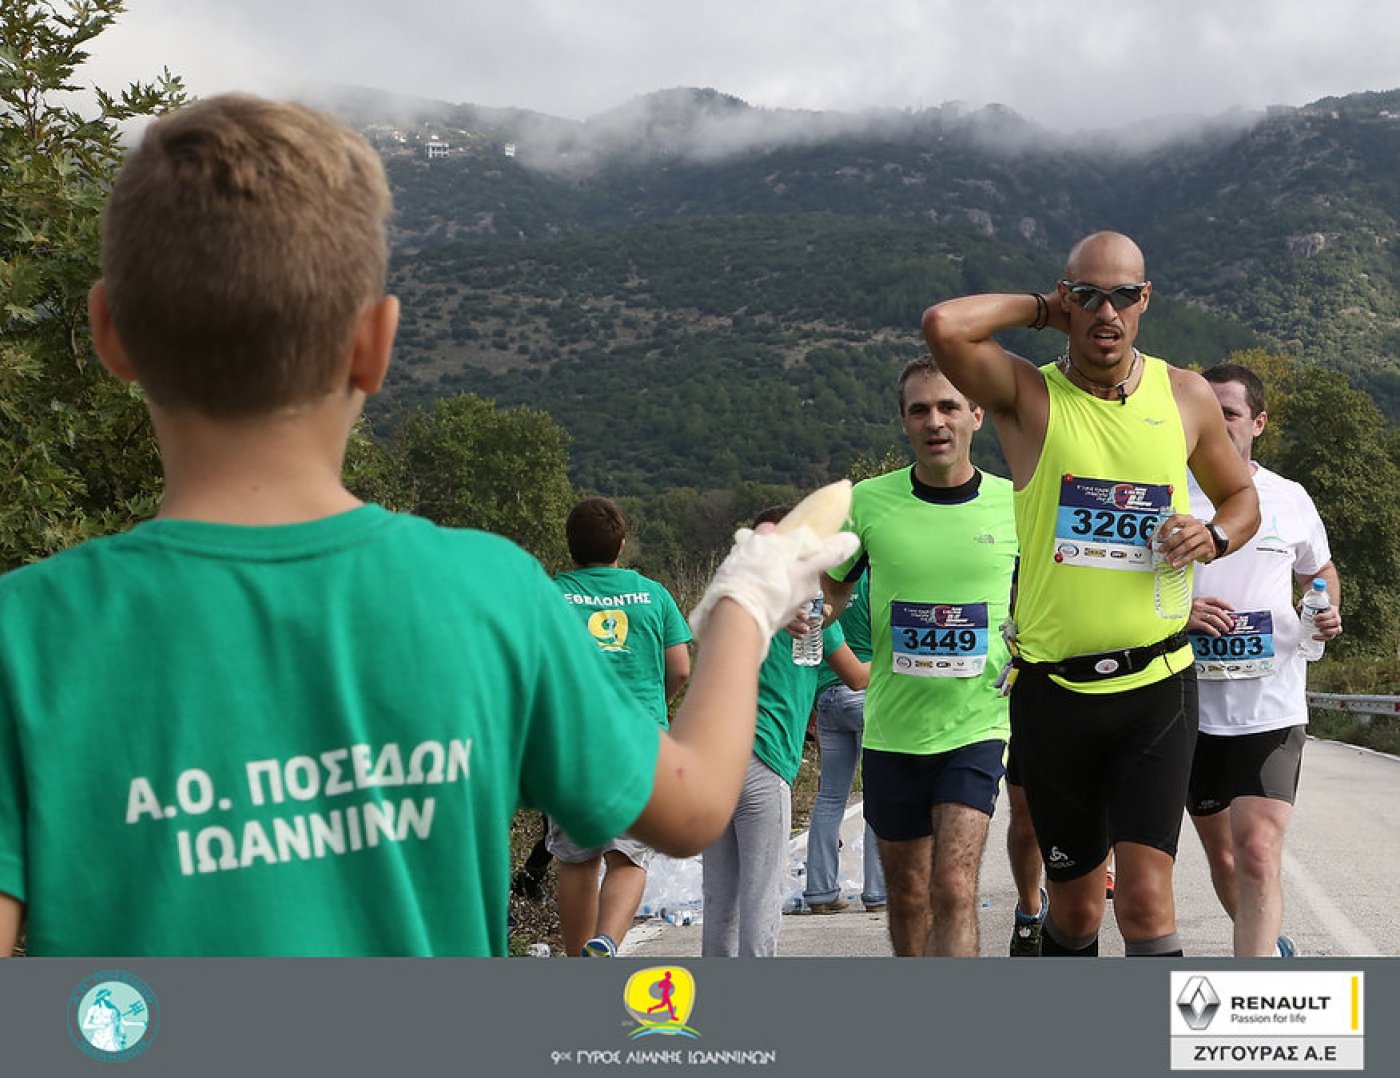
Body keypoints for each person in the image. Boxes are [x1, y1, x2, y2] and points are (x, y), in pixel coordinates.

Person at [0, 94, 856, 957]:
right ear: (376, 343)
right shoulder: (487, 594)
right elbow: (694, 805)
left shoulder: (25, 636)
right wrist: (748, 599)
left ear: (108, 332)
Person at [922, 231, 1260, 957]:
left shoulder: (1185, 395)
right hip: (1055, 694)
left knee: (1144, 900)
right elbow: (945, 326)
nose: (1107, 312)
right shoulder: (1028, 395)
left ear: (1146, 299)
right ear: (1066, 298)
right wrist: (1044, 310)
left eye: (1123, 295)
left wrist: (1214, 536)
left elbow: (1241, 499)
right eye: (1088, 296)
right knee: (1076, 912)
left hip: (1156, 684)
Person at [822, 358, 1019, 957]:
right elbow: (830, 594)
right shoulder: (866, 503)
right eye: (920, 410)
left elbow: (1053, 597)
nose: (935, 421)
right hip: (893, 729)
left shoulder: (1015, 504)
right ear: (904, 422)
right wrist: (804, 614)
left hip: (977, 724)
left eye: (949, 407)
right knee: (908, 895)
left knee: (954, 888)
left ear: (976, 415)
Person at [1186, 363, 1341, 957]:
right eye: (1208, 411)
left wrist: (1324, 609)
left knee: (1256, 852)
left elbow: (1319, 570)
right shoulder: (1166, 491)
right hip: (1187, 707)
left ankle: (1253, 990)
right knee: (1225, 858)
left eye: (1229, 412)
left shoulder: (1289, 497)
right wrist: (1181, 612)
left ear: (1258, 422)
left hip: (1270, 704)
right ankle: (1268, 947)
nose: (1218, 422)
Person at [701, 506, 869, 957]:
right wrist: (906, 659)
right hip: (763, 756)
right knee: (761, 897)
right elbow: (857, 677)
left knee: (719, 899)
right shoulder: (809, 613)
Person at [550, 496, 692, 957]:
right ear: (622, 543)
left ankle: (577, 957)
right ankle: (606, 941)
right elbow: (681, 668)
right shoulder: (653, 595)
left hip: (572, 744)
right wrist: (656, 706)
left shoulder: (548, 595)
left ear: (569, 544)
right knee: (628, 855)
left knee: (577, 858)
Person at [802, 570, 885, 915]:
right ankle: (878, 892)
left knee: (830, 797)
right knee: (879, 794)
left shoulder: (821, 587)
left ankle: (820, 891)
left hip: (827, 696)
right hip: (867, 692)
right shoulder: (874, 581)